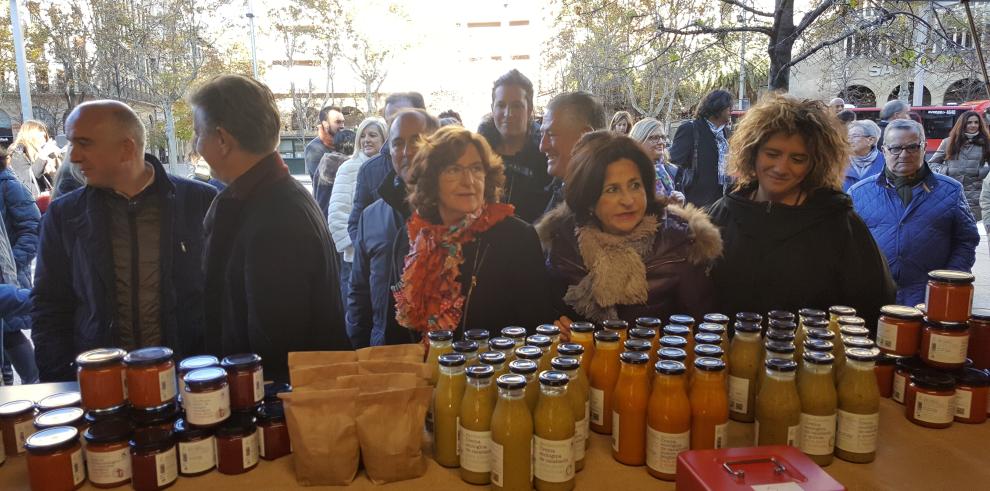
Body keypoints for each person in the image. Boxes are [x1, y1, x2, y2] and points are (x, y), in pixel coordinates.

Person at [32, 100, 217, 382]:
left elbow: (225, 297)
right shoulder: (64, 214)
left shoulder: (200, 202)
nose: (74, 156)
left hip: (190, 382)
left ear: (126, 148)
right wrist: (63, 379)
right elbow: (49, 306)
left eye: (84, 143)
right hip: (100, 387)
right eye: (71, 143)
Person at [191, 75, 351, 382]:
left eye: (199, 134)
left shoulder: (276, 218)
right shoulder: (259, 197)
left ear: (223, 139)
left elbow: (275, 353)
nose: (197, 146)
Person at [708, 94, 895, 327]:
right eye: (772, 154)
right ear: (753, 153)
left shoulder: (839, 225)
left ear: (815, 164)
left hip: (810, 360)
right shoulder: (723, 213)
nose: (781, 168)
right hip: (725, 357)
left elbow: (872, 303)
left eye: (797, 158)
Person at [537, 131, 720, 326]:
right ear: (589, 199)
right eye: (612, 190)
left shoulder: (680, 239)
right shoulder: (563, 242)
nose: (628, 200)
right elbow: (550, 315)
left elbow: (702, 327)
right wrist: (561, 329)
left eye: (634, 185)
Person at [394, 126, 555, 338]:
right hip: (424, 367)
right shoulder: (413, 238)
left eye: (476, 169)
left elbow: (537, 327)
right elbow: (397, 330)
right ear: (431, 179)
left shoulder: (517, 238)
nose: (468, 181)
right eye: (454, 169)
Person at [851, 119, 979, 306]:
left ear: (924, 148)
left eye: (912, 147)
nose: (904, 154)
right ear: (884, 150)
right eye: (896, 148)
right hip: (872, 297)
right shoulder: (859, 192)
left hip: (927, 299)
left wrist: (949, 281)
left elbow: (966, 240)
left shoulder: (950, 191)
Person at [347, 108, 439, 348]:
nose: (407, 152)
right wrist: (359, 350)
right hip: (385, 357)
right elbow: (359, 292)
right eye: (398, 143)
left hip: (445, 361)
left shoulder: (457, 214)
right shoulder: (371, 217)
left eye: (416, 141)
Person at [347, 92, 426, 243]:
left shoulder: (442, 165)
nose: (397, 124)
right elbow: (356, 224)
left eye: (404, 117)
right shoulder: (369, 170)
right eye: (390, 121)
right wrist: (375, 255)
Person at [477, 69, 551, 222]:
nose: (508, 113)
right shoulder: (477, 153)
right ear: (492, 108)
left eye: (516, 106)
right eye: (501, 105)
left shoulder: (546, 154)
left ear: (529, 108)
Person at [328, 117, 386, 306]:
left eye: (373, 135)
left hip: (381, 258)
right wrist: (357, 247)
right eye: (363, 135)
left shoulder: (391, 170)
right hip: (354, 258)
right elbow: (337, 215)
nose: (366, 140)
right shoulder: (348, 167)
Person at [0, 147, 40, 384]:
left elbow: (32, 229)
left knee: (11, 333)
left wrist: (12, 262)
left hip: (9, 277)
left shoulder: (10, 186)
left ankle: (34, 385)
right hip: (8, 282)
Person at [539, 91, 607, 213]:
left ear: (584, 137)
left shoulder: (603, 209)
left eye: (551, 134)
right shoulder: (562, 187)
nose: (542, 147)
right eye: (541, 134)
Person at [668, 89, 734, 208]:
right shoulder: (690, 129)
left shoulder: (727, 133)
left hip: (722, 201)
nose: (731, 111)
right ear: (718, 107)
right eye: (728, 107)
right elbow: (673, 164)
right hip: (696, 203)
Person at [930, 110, 990, 220]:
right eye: (969, 122)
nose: (973, 125)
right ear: (963, 124)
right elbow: (931, 165)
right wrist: (947, 171)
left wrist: (981, 171)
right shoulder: (948, 142)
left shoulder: (986, 143)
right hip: (951, 194)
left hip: (976, 195)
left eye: (976, 122)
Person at [629, 118, 684, 203]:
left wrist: (680, 205)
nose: (661, 142)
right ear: (638, 141)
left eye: (662, 137)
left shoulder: (672, 171)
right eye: (654, 138)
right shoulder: (628, 173)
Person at [9, 120, 60, 198]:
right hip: (27, 200)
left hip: (42, 197)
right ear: (30, 135)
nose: (44, 137)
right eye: (40, 134)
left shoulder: (37, 150)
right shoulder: (18, 150)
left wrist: (53, 158)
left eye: (44, 134)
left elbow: (49, 176)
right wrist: (43, 155)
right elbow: (29, 176)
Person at [312, 128, 356, 218]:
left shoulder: (323, 162)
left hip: (321, 217)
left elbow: (315, 191)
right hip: (340, 220)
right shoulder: (350, 168)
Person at [304, 106, 346, 180]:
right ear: (325, 124)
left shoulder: (345, 144)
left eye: (343, 122)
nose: (342, 126)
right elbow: (322, 180)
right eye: (338, 122)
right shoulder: (314, 148)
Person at [845, 120, 885, 191]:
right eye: (848, 137)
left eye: (854, 136)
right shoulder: (838, 163)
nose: (849, 140)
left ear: (871, 140)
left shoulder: (886, 162)